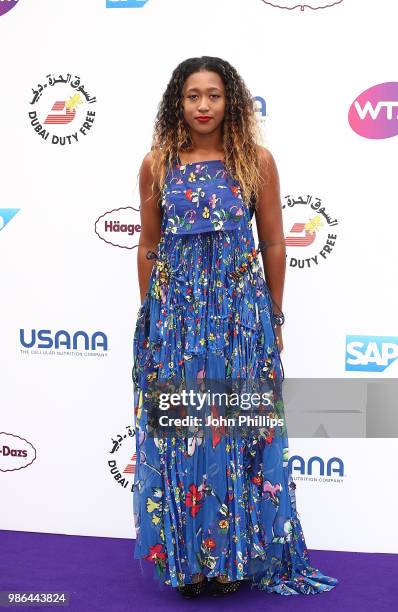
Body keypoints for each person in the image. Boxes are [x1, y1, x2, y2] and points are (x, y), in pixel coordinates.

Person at [131, 56, 338, 599]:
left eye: (214, 95)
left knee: (236, 427)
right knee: (183, 432)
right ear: (179, 101)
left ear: (232, 102)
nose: (203, 105)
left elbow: (273, 242)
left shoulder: (256, 162)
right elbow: (148, 246)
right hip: (178, 319)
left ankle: (232, 559)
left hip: (238, 317)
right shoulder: (156, 164)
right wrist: (153, 320)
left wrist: (272, 318)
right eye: (193, 95)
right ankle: (189, 562)